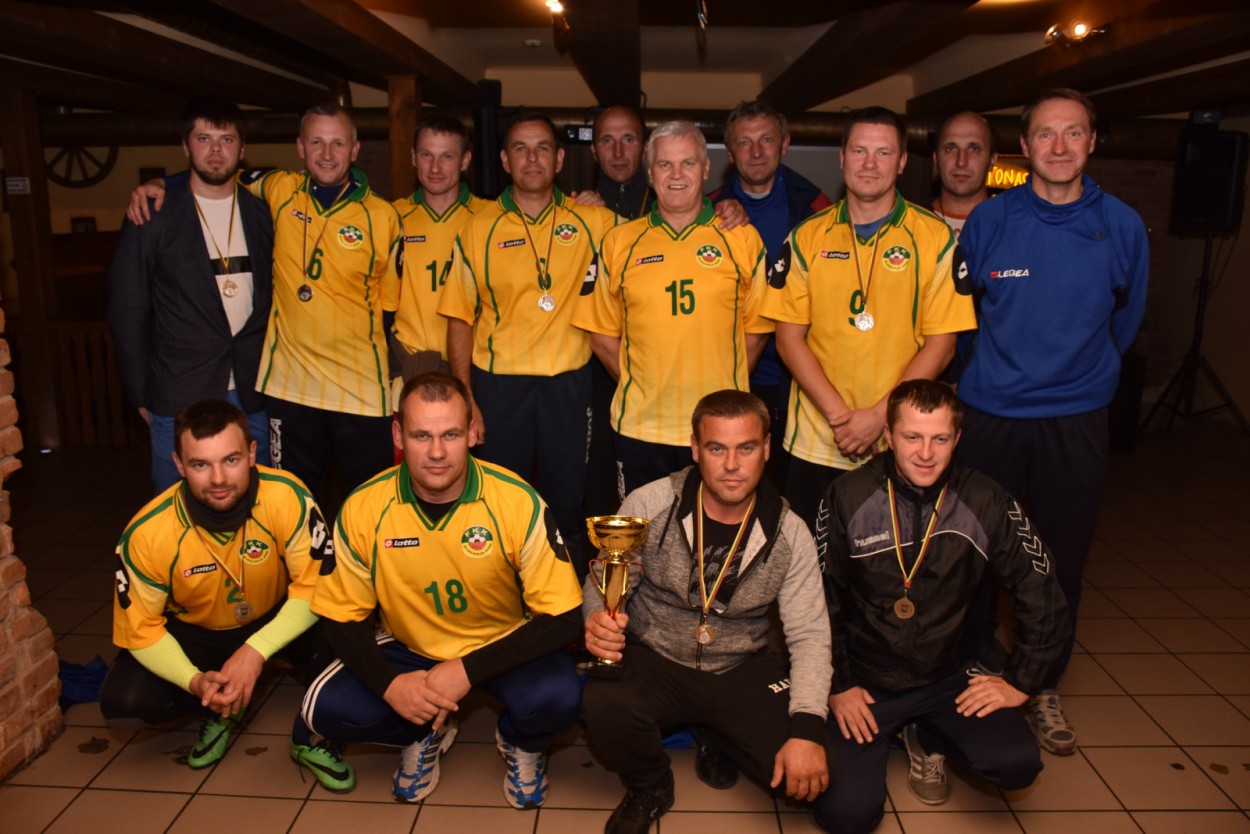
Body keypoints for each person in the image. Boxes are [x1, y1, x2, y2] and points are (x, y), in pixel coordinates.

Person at [953, 88, 1149, 756]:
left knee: (1060, 558)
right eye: (1045, 134)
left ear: (1091, 142)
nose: (1059, 147)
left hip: (1076, 418)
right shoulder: (990, 220)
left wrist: (1079, 376)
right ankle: (971, 666)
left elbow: (1126, 320)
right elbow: (965, 317)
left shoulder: (1121, 224)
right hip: (991, 415)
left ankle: (1040, 683)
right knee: (975, 552)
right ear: (1024, 145)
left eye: (1073, 133)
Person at [293, 372, 584, 807]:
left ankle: (520, 741)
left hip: (499, 643)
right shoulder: (364, 507)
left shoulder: (517, 501)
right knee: (324, 709)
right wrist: (390, 686)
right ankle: (423, 731)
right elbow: (339, 617)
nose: (436, 452)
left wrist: (466, 670)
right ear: (398, 435)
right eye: (421, 435)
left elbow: (564, 618)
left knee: (559, 699)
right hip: (409, 646)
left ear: (472, 432)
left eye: (450, 434)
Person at [813, 380, 1070, 834]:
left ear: (958, 439)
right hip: (867, 684)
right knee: (846, 816)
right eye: (913, 437)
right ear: (888, 436)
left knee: (1017, 763)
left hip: (949, 677)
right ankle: (896, 730)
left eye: (940, 438)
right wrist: (838, 684)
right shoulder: (847, 495)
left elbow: (1042, 589)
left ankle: (927, 732)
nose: (926, 453)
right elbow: (818, 600)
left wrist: (1021, 682)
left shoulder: (985, 498)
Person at [127, 102, 404, 520]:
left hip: (360, 392)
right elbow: (216, 170)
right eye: (316, 142)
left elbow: (389, 311)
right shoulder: (278, 187)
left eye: (337, 143)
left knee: (372, 506)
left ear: (355, 149)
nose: (326, 154)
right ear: (300, 147)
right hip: (290, 392)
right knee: (293, 505)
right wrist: (162, 182)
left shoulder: (384, 217)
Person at [582, 389, 830, 834]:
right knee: (602, 704)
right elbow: (607, 578)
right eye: (717, 448)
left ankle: (717, 733)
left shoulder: (791, 533)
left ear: (766, 449)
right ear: (695, 448)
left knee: (810, 785)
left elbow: (810, 634)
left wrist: (808, 730)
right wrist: (596, 620)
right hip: (657, 656)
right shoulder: (650, 503)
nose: (731, 465)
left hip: (740, 665)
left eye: (746, 448)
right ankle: (650, 786)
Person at [764, 106, 977, 527]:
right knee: (811, 560)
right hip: (817, 437)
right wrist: (842, 419)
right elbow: (788, 339)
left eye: (883, 153)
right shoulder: (806, 236)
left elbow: (942, 345)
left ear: (902, 162)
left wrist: (880, 416)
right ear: (842, 158)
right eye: (859, 151)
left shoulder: (934, 238)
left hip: (900, 439)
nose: (869, 163)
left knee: (892, 561)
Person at [101, 399, 331, 772]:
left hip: (276, 615)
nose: (219, 479)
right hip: (197, 631)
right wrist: (194, 683)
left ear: (252, 453)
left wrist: (255, 652)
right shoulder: (147, 533)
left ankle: (314, 721)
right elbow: (141, 631)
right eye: (200, 465)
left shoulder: (287, 495)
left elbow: (316, 586)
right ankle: (217, 702)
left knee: (348, 638)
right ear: (179, 465)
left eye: (231, 460)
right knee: (125, 704)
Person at [439, 112, 618, 575]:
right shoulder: (477, 227)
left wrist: (724, 213)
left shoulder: (594, 221)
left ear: (559, 159)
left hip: (570, 387)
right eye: (520, 148)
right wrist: (465, 397)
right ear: (504, 160)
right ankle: (500, 598)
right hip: (499, 388)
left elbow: (655, 234)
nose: (532, 158)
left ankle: (566, 602)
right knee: (498, 501)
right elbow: (459, 319)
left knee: (568, 503)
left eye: (542, 148)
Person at [574, 120, 771, 497]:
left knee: (716, 531)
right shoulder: (618, 242)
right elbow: (600, 334)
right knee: (644, 531)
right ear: (650, 173)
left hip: (721, 430)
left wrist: (723, 395)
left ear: (706, 168)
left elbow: (757, 331)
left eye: (688, 163)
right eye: (665, 164)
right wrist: (641, 383)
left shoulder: (742, 239)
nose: (676, 174)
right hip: (640, 428)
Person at [109, 98, 272, 492]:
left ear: (242, 149)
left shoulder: (264, 210)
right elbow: (127, 309)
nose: (215, 150)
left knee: (260, 500)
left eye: (226, 139)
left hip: (255, 389)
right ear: (185, 146)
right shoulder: (152, 214)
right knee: (178, 503)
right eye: (203, 139)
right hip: (180, 390)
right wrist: (141, 392)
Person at [710, 101, 833, 485]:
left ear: (785, 144)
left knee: (790, 488)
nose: (757, 152)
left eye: (766, 140)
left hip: (800, 376)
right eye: (744, 143)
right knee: (732, 483)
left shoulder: (816, 206)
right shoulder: (707, 210)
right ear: (730, 153)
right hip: (735, 372)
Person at [390, 113, 486, 381]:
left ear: (465, 160)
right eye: (426, 155)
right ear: (413, 157)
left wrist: (586, 201)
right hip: (409, 364)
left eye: (447, 156)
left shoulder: (490, 219)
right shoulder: (390, 217)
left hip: (474, 367)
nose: (435, 168)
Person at [931, 111, 997, 240]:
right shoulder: (909, 225)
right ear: (936, 158)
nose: (961, 162)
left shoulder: (1014, 227)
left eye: (974, 149)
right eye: (951, 149)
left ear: (992, 160)